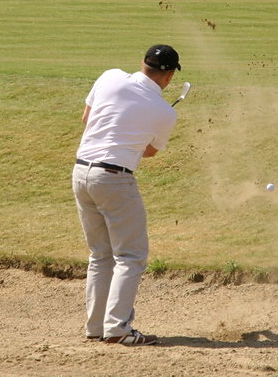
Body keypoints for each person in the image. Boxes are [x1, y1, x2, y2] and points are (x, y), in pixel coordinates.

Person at [72, 44, 182, 346]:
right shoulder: (164, 112)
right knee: (131, 256)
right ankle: (118, 327)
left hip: (81, 173)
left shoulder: (109, 76)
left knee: (100, 255)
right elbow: (148, 152)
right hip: (114, 180)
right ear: (169, 76)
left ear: (142, 63)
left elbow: (87, 118)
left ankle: (96, 327)